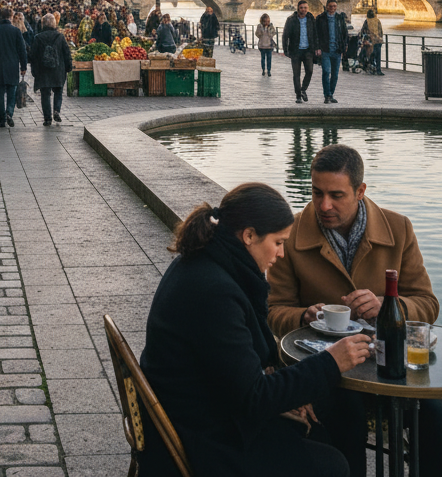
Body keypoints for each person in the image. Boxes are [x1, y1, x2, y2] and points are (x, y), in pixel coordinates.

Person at [141, 182, 369, 477]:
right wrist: (331, 362)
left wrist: (284, 386)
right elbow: (254, 398)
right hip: (204, 440)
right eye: (278, 242)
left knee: (338, 414)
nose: (282, 254)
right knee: (332, 462)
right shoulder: (215, 291)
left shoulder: (205, 264)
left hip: (199, 411)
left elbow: (232, 369)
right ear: (248, 236)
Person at [267, 144, 442, 477]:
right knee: (343, 422)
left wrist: (388, 306)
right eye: (316, 192)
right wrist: (303, 316)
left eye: (336, 195)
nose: (324, 205)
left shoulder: (399, 229)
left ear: (360, 191)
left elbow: (428, 303)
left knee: (439, 426)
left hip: (388, 366)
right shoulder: (291, 235)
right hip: (324, 372)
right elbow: (273, 311)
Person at [28, 13, 73, 126]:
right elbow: (66, 53)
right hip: (58, 69)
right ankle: (56, 110)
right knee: (58, 91)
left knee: (45, 94)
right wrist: (68, 67)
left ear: (43, 24)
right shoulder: (60, 36)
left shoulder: (38, 37)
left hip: (43, 70)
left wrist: (34, 70)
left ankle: (47, 118)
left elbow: (33, 55)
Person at [282, 0, 320, 104]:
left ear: (307, 9)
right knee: (296, 74)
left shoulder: (311, 19)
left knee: (310, 71)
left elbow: (315, 34)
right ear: (298, 8)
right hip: (296, 51)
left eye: (305, 8)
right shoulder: (291, 20)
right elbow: (285, 35)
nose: (303, 10)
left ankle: (303, 89)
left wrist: (317, 47)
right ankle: (298, 95)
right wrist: (285, 49)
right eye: (301, 8)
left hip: (308, 50)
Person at [315, 0, 348, 104]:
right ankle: (327, 95)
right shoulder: (320, 19)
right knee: (326, 72)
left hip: (337, 50)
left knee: (335, 74)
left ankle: (331, 94)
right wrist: (317, 47)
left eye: (334, 6)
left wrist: (344, 46)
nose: (332, 8)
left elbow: (344, 33)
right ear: (326, 6)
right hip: (325, 50)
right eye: (330, 6)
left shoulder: (339, 18)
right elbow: (316, 34)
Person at [360, 8, 384, 75]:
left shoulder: (366, 21)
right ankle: (378, 69)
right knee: (378, 56)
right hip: (378, 40)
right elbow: (381, 31)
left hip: (370, 41)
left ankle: (371, 66)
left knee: (371, 54)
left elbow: (363, 31)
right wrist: (380, 38)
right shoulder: (377, 21)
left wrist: (363, 39)